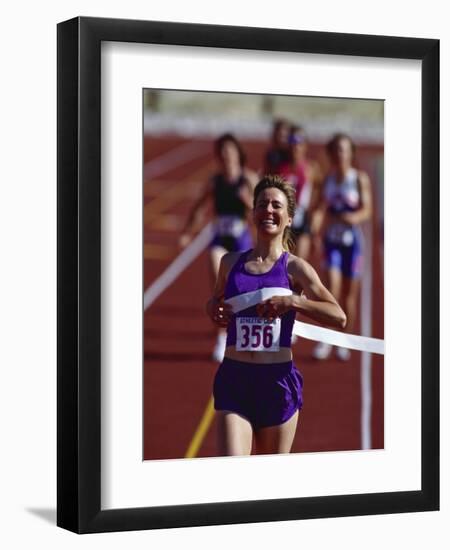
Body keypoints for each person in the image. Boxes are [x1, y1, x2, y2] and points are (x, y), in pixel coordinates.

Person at [206, 175, 346, 456]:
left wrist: (294, 302)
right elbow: (215, 300)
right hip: (235, 378)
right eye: (262, 204)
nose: (268, 210)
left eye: (276, 206)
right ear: (253, 212)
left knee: (270, 484)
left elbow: (338, 316)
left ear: (290, 218)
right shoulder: (230, 263)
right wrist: (211, 307)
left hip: (277, 383)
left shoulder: (296, 269)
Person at [180, 133, 258, 362]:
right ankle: (221, 336)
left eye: (230, 152)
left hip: (241, 239)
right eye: (222, 152)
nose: (227, 156)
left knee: (243, 289)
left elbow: (262, 213)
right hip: (220, 239)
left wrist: (248, 204)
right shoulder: (215, 181)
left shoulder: (248, 179)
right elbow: (198, 207)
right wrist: (187, 232)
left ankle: (244, 333)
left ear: (238, 154)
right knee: (218, 280)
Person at [310, 133, 373, 361]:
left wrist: (353, 218)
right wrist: (315, 231)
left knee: (349, 296)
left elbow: (367, 210)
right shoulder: (327, 179)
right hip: (332, 242)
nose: (340, 154)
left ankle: (344, 339)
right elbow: (319, 208)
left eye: (344, 150)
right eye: (336, 150)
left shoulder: (359, 179)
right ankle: (327, 339)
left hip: (353, 244)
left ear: (351, 153)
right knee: (331, 289)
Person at [277, 125, 322, 261]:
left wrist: (317, 214)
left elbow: (320, 192)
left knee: (299, 263)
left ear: (305, 145)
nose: (295, 146)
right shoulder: (280, 167)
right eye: (292, 141)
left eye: (299, 141)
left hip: (303, 223)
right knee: (283, 263)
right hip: (285, 222)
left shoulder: (311, 168)